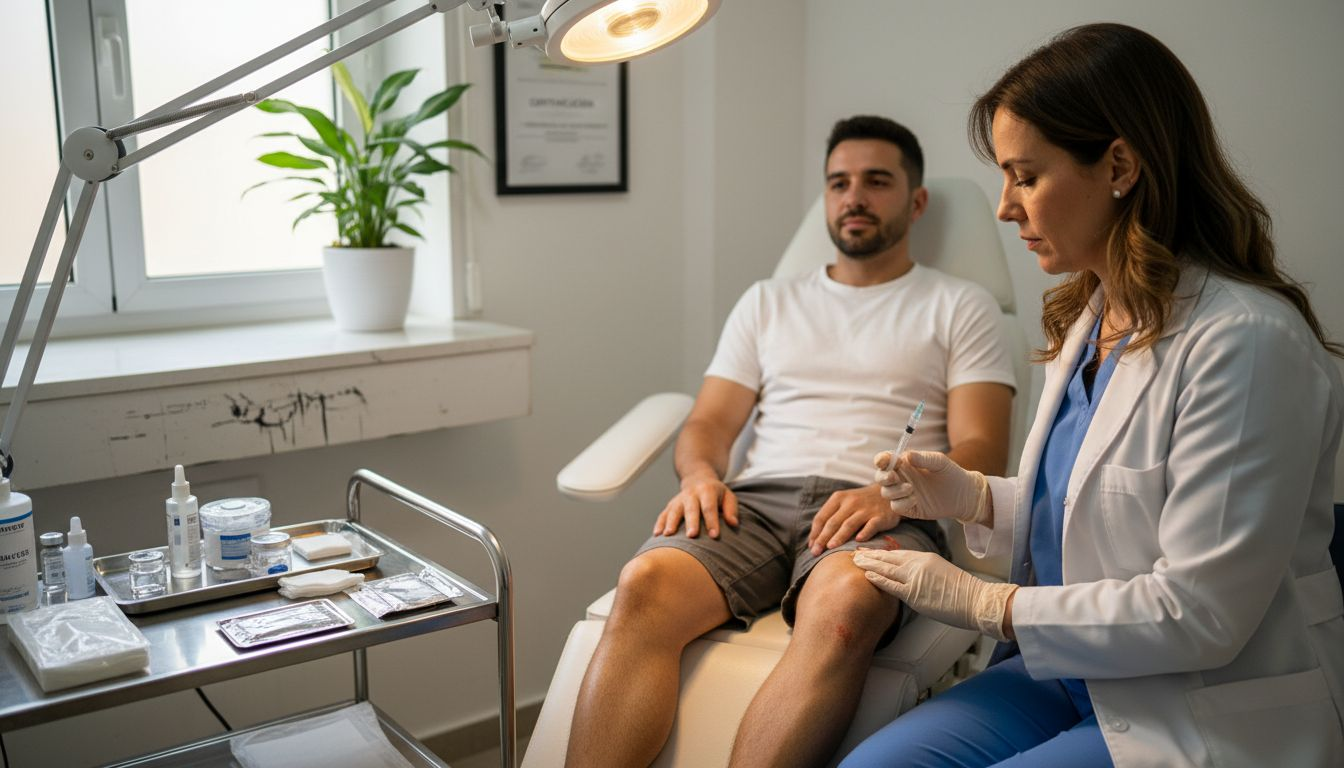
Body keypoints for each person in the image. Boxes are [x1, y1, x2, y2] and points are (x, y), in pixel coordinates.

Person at [843, 23, 1344, 768]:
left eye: (1026, 176)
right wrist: (976, 498)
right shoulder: (1094, 316)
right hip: (1072, 675)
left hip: (1197, 698)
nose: (1005, 207)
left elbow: (1200, 612)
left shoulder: (1245, 342)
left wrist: (986, 604)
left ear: (1119, 165)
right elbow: (1095, 515)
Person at [564, 116, 1017, 768]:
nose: (854, 196)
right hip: (751, 503)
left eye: (876, 181)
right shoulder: (767, 302)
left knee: (843, 606)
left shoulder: (958, 306)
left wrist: (898, 496)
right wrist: (699, 477)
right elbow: (708, 425)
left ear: (915, 201)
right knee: (644, 585)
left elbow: (983, 449)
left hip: (878, 507)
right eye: (839, 183)